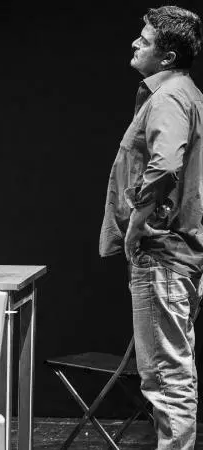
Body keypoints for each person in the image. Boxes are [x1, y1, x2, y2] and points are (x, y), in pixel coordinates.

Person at [99, 5, 203, 449]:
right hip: (175, 253)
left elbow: (165, 166)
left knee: (165, 378)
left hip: (162, 254)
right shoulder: (185, 94)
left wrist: (137, 224)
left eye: (144, 40)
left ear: (167, 57)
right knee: (167, 371)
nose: (135, 43)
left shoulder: (169, 98)